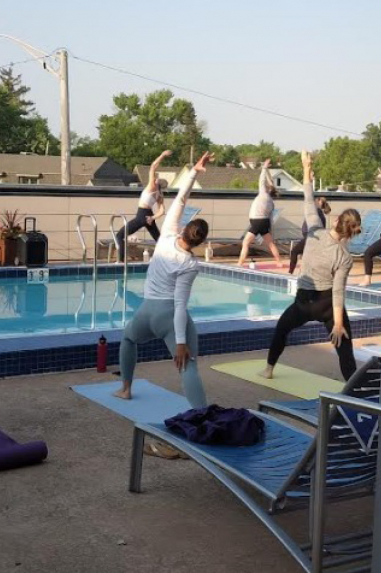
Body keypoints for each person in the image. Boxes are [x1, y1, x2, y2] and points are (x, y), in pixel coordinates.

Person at [113, 152, 213, 404]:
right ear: (201, 242)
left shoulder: (168, 234)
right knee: (187, 364)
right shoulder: (190, 264)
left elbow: (180, 199)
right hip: (169, 316)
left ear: (183, 229)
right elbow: (180, 305)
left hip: (147, 311)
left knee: (128, 338)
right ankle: (201, 417)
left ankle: (125, 389)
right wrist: (180, 343)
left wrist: (194, 172)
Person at [261, 152, 362, 381]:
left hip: (304, 303)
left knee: (282, 329)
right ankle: (353, 388)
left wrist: (306, 169)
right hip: (327, 306)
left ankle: (268, 370)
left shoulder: (315, 229)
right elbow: (338, 291)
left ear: (335, 221)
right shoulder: (344, 256)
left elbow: (308, 201)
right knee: (344, 348)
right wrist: (337, 324)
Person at [116, 150, 170, 262]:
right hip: (149, 216)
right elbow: (162, 211)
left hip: (141, 215)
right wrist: (152, 218)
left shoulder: (152, 186)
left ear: (157, 183)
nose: (155, 179)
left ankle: (120, 261)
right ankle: (167, 260)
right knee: (159, 240)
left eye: (156, 179)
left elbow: (153, 167)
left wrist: (162, 155)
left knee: (119, 236)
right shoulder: (159, 195)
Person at [237, 159, 281, 266]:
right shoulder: (271, 202)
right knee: (270, 243)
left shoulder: (263, 194)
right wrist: (269, 229)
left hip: (257, 222)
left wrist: (264, 168)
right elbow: (270, 217)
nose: (265, 186)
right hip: (264, 222)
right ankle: (279, 262)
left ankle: (240, 263)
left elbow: (261, 180)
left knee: (246, 243)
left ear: (268, 190)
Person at [288, 195, 331, 274]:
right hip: (311, 237)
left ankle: (290, 272)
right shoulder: (319, 213)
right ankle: (304, 272)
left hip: (311, 237)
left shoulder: (317, 212)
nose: (314, 202)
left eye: (315, 201)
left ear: (320, 202)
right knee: (307, 256)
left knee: (294, 251)